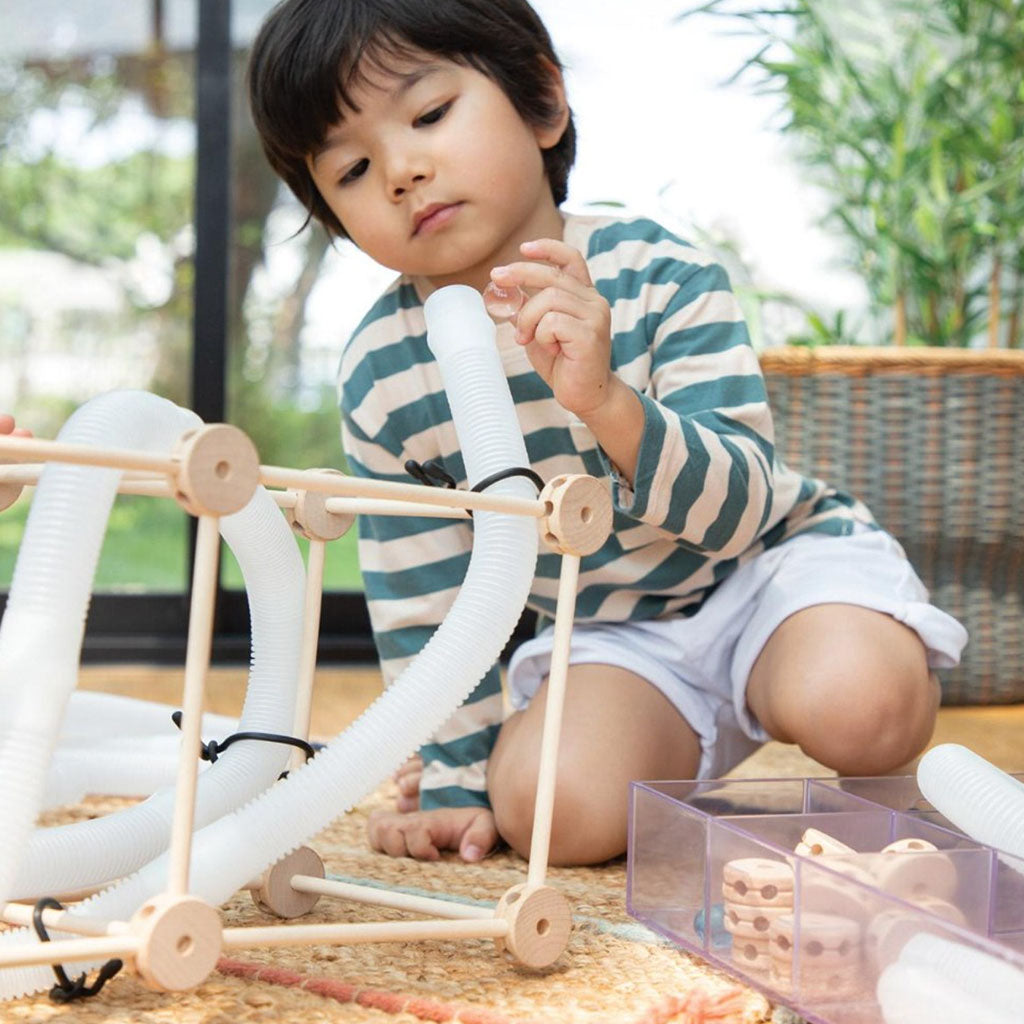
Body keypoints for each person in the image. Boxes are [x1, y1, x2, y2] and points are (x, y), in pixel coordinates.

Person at [247, 0, 967, 867]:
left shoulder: (664, 275)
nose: (401, 170)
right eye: (353, 168)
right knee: (551, 812)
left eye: (431, 114)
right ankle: (661, 749)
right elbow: (425, 595)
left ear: (543, 102)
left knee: (861, 703)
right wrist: (454, 775)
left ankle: (818, 707)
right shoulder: (381, 369)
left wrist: (607, 400)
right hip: (610, 633)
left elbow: (739, 509)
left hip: (769, 578)